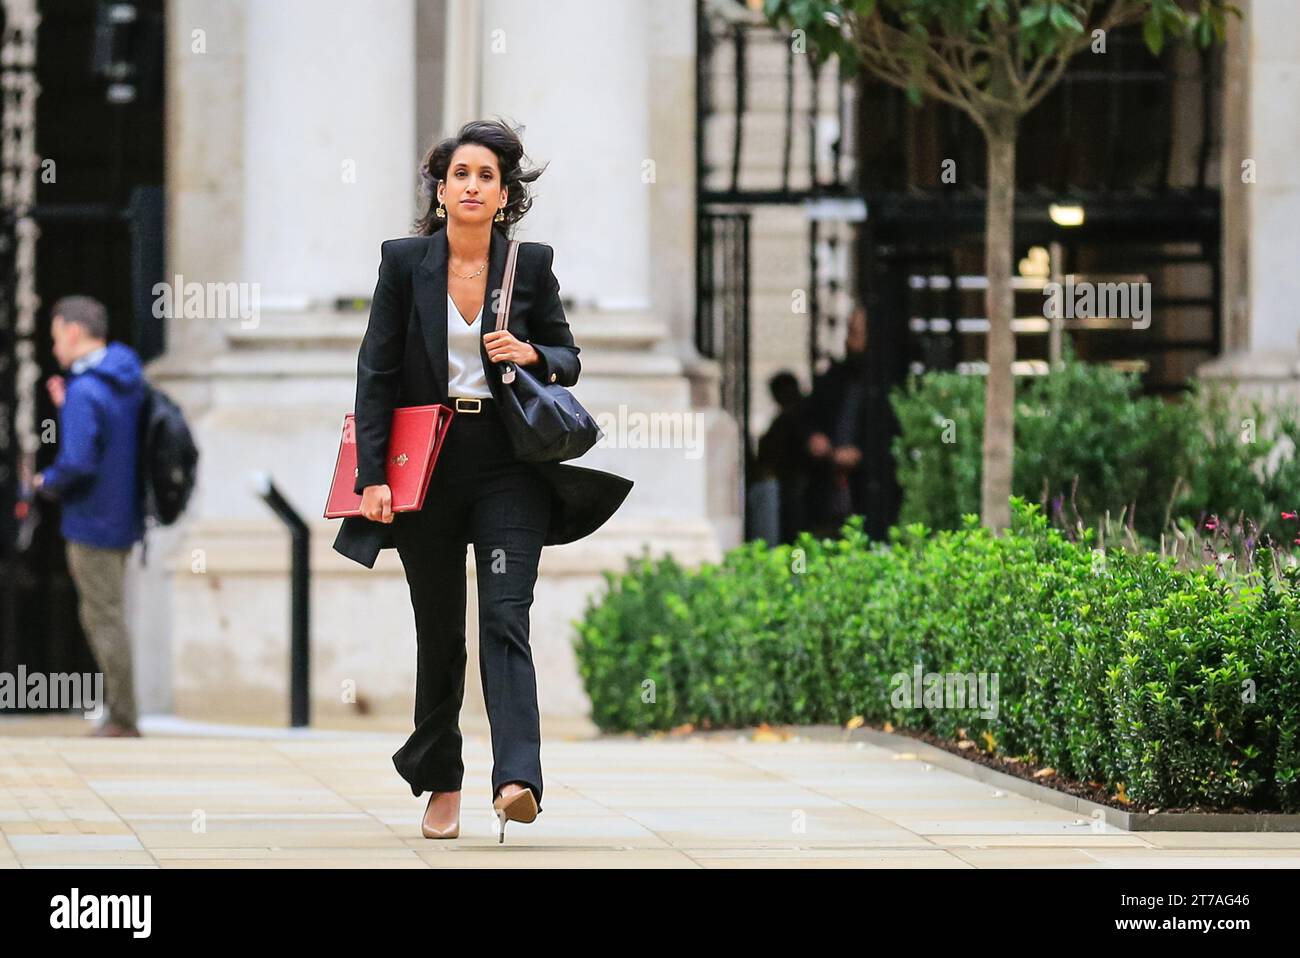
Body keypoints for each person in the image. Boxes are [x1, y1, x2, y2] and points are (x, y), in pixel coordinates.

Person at [332, 118, 633, 844]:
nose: (472, 186)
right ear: (441, 191)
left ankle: (517, 779)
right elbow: (375, 377)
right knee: (439, 632)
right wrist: (373, 478)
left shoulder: (528, 268)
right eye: (459, 174)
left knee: (505, 615)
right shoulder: (405, 264)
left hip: (507, 464)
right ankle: (442, 779)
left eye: (486, 177)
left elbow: (568, 358)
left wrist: (530, 352)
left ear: (505, 196)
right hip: (427, 464)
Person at [29, 296, 146, 737]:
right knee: (111, 611)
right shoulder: (121, 379)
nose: (54, 346)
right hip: (120, 515)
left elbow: (79, 460)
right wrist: (69, 407)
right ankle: (122, 712)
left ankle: (121, 716)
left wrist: (45, 482)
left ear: (74, 332)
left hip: (92, 518)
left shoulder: (85, 389)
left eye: (56, 335)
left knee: (102, 616)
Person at [804, 305, 870, 538]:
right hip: (828, 482)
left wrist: (862, 452)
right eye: (850, 332)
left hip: (869, 487)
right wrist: (814, 437)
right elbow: (810, 418)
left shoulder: (883, 381)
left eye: (857, 333)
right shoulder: (832, 378)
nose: (850, 341)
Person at [754, 371, 812, 545]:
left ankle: (797, 569)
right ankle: (795, 568)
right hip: (788, 483)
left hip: (799, 482)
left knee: (797, 534)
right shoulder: (791, 416)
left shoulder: (798, 417)